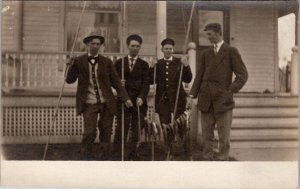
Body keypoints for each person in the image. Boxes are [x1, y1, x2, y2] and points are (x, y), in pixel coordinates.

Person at [65, 32, 133, 160]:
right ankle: (86, 158)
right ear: (87, 45)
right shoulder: (79, 61)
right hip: (89, 103)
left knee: (106, 132)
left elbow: (116, 82)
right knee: (89, 133)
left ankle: (104, 159)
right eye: (92, 44)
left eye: (98, 44)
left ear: (101, 46)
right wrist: (69, 66)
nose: (95, 46)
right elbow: (69, 80)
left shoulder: (106, 62)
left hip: (107, 103)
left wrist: (126, 98)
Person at [189, 23, 248, 161]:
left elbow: (243, 75)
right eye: (206, 34)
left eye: (209, 34)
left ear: (218, 33)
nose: (207, 37)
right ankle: (208, 161)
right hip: (206, 99)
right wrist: (192, 94)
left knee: (224, 136)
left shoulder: (231, 51)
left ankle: (223, 160)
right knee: (206, 135)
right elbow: (200, 75)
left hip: (223, 100)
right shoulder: (205, 54)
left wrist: (230, 91)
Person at [150, 38, 193, 160]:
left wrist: (186, 65)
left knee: (181, 125)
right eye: (166, 49)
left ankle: (184, 151)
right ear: (162, 50)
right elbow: (150, 80)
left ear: (172, 50)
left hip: (178, 99)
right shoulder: (158, 64)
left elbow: (188, 79)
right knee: (166, 127)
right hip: (163, 101)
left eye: (170, 48)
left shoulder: (179, 62)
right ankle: (168, 151)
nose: (168, 51)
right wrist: (151, 67)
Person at [113, 34, 150, 160]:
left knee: (136, 128)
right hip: (124, 101)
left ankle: (132, 154)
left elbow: (146, 84)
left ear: (140, 48)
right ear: (128, 46)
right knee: (121, 128)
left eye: (137, 46)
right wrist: (119, 82)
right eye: (132, 46)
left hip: (138, 102)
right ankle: (118, 155)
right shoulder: (119, 63)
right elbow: (113, 81)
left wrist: (142, 97)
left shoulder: (144, 65)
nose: (135, 48)